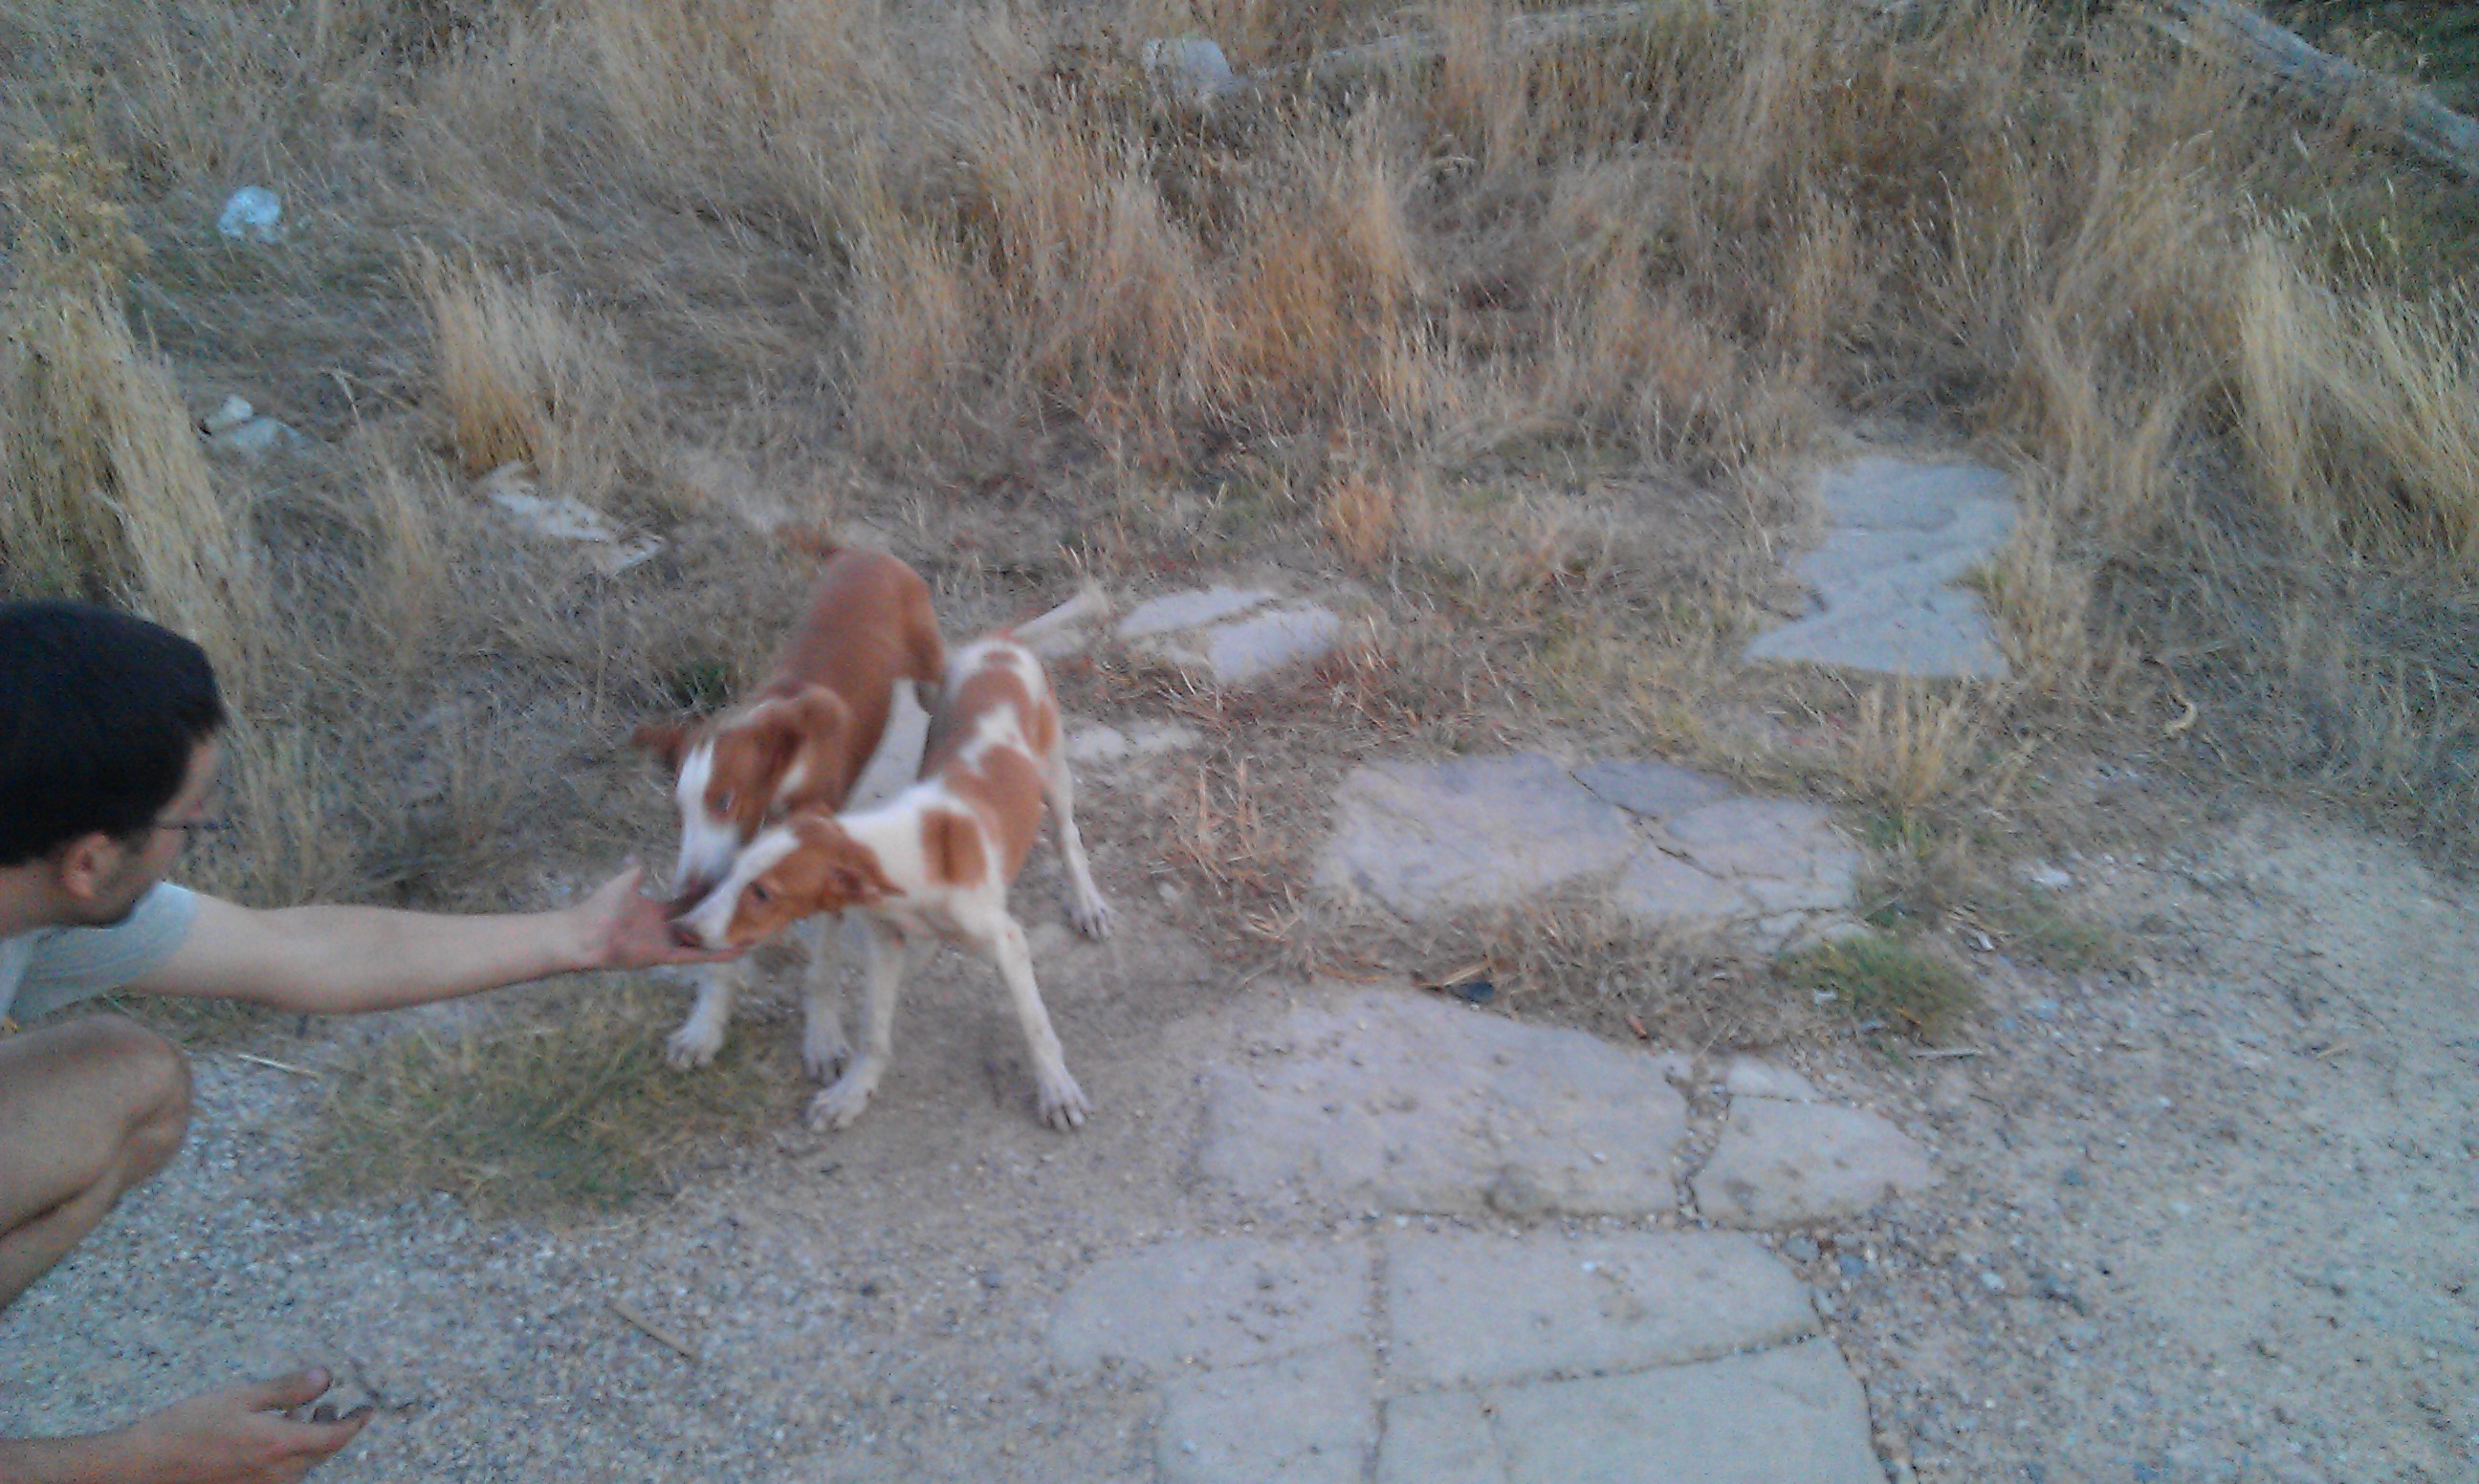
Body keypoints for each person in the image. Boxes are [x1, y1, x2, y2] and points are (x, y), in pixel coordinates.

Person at [0, 600, 734, 1483]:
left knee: (130, 1082)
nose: (190, 844)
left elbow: (297, 950)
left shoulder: (31, 881)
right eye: (189, 825)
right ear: (87, 862)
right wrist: (141, 1461)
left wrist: (577, 938)